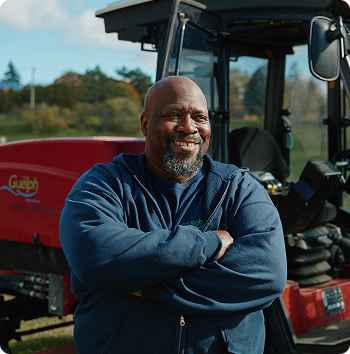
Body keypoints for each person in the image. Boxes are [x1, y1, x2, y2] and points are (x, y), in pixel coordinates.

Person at [59, 76, 287, 354]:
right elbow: (94, 255)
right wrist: (209, 243)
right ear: (145, 124)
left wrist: (148, 286)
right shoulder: (106, 183)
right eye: (174, 115)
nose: (189, 127)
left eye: (199, 117)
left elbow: (268, 274)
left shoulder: (238, 188)